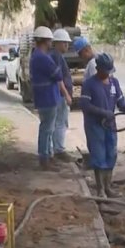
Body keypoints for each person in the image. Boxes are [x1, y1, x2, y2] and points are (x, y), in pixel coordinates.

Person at [78, 53, 125, 197]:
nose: (108, 74)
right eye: (105, 71)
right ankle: (100, 189)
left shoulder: (114, 83)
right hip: (94, 126)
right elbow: (85, 105)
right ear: (98, 68)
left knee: (111, 154)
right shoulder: (89, 84)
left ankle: (108, 187)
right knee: (98, 156)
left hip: (110, 125)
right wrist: (103, 113)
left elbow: (120, 102)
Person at [30, 26, 72, 171]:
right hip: (48, 97)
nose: (50, 43)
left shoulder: (37, 55)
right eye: (49, 41)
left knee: (47, 128)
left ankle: (47, 156)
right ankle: (44, 158)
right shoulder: (43, 58)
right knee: (47, 129)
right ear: (46, 41)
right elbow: (57, 75)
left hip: (45, 97)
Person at [49, 28, 74, 162]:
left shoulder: (56, 56)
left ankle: (56, 149)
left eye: (67, 43)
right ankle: (59, 150)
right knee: (60, 122)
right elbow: (58, 79)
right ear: (57, 43)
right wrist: (66, 95)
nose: (66, 45)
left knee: (58, 122)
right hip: (60, 96)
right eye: (64, 43)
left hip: (59, 95)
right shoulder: (56, 56)